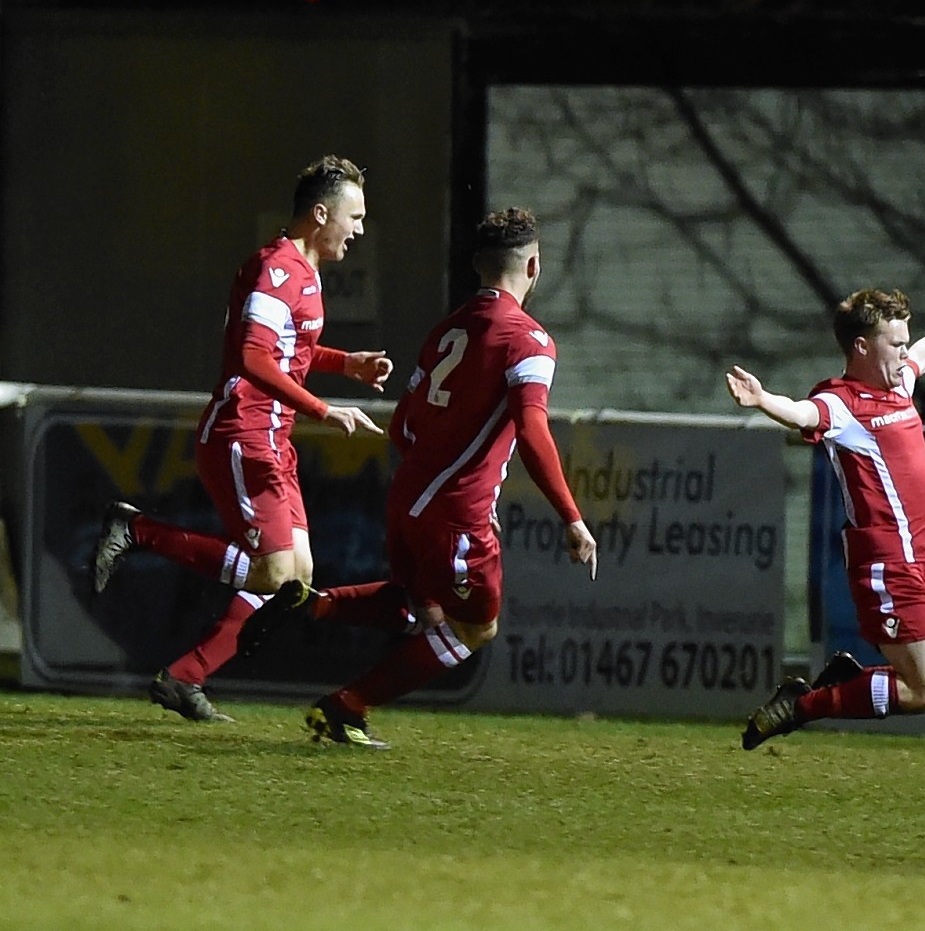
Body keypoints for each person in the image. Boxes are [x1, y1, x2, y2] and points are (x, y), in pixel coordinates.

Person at [239, 207, 598, 748]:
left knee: (416, 601)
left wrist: (438, 476)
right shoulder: (530, 342)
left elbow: (403, 426)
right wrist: (571, 517)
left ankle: (307, 603)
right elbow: (532, 430)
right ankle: (346, 706)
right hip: (456, 512)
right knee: (476, 626)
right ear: (533, 269)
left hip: (407, 497)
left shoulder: (446, 330)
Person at [90, 155, 391, 723]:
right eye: (354, 216)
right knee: (278, 575)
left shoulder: (303, 269)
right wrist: (324, 410)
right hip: (242, 435)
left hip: (272, 439)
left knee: (294, 578)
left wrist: (347, 364)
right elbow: (253, 355)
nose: (359, 229)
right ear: (320, 213)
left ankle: (184, 678)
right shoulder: (277, 268)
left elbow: (287, 352)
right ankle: (137, 529)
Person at [726, 286, 925, 750]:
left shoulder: (899, 384)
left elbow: (922, 357)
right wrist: (765, 399)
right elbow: (804, 413)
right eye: (897, 344)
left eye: (906, 342)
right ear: (863, 347)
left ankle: (843, 683)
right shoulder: (843, 402)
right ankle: (801, 705)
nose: (906, 353)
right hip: (890, 566)